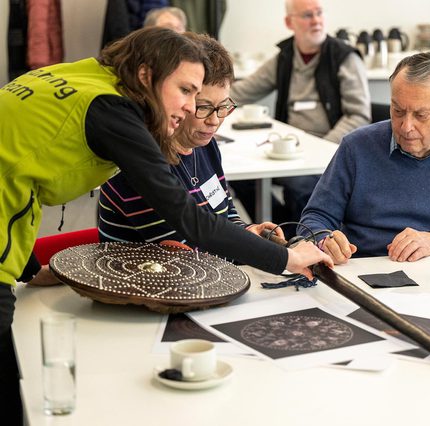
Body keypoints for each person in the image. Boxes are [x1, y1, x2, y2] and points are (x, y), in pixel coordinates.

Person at [0, 27, 332, 424]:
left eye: (206, 100)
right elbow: (186, 221)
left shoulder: (89, 76)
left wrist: (27, 268)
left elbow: (21, 172)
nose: (193, 109)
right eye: (187, 91)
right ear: (146, 76)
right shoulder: (115, 111)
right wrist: (286, 257)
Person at [300, 52, 430, 265]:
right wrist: (324, 240)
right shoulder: (356, 147)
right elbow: (315, 218)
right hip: (364, 272)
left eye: (421, 115)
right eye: (398, 111)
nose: (406, 127)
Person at [98, 32, 284, 246]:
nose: (214, 121)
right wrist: (259, 249)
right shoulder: (141, 161)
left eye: (223, 107)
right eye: (203, 107)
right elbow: (189, 254)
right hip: (149, 277)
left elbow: (223, 214)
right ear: (179, 99)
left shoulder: (204, 144)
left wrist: (250, 231)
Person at [230, 0, 371, 224]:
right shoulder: (284, 57)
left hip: (326, 149)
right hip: (287, 150)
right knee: (241, 176)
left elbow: (359, 116)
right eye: (307, 15)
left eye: (318, 13)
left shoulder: (344, 58)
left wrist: (321, 147)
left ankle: (302, 238)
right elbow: (243, 91)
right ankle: (284, 233)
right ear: (289, 22)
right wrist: (205, 101)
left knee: (299, 183)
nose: (316, 21)